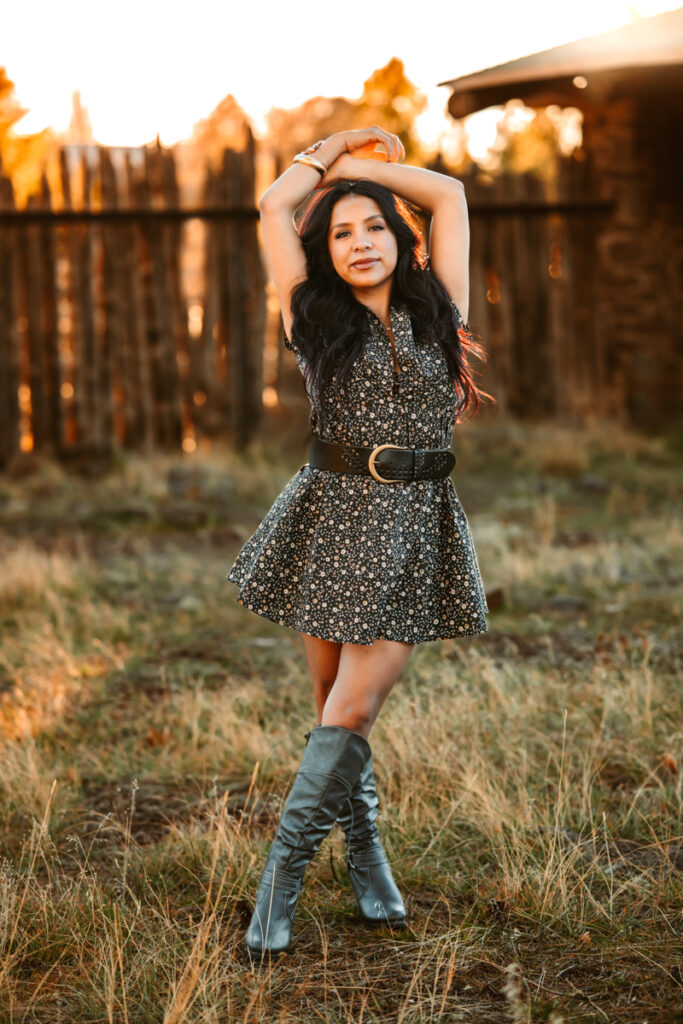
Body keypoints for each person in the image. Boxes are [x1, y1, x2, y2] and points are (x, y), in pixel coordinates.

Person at [226, 126, 493, 959]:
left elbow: (446, 194)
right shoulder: (311, 313)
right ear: (325, 252)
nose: (359, 242)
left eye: (373, 225)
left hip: (414, 523)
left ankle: (279, 884)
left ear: (396, 236)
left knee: (352, 708)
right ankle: (369, 860)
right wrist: (331, 147)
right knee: (333, 718)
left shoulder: (437, 304)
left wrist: (359, 174)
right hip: (330, 518)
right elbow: (274, 205)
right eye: (340, 232)